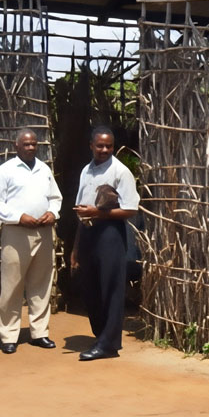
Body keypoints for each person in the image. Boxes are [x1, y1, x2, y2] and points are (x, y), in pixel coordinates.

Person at [0, 128, 63, 355]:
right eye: (26, 144)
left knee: (41, 284)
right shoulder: (6, 170)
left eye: (34, 144)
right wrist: (19, 217)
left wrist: (52, 213)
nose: (30, 147)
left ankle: (39, 332)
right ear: (16, 145)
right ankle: (9, 335)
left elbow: (55, 198)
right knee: (12, 285)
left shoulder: (43, 169)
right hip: (17, 233)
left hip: (43, 232)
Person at [71, 126, 138, 361]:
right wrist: (76, 248)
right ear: (91, 145)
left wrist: (98, 213)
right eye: (100, 145)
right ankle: (101, 335)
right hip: (88, 232)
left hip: (110, 233)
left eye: (109, 145)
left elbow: (130, 209)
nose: (104, 149)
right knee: (90, 288)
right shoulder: (86, 171)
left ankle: (109, 344)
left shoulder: (121, 172)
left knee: (111, 287)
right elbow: (82, 209)